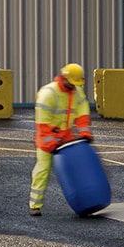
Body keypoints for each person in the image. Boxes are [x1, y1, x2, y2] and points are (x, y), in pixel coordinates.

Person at [30, 62, 93, 216]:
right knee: (43, 169)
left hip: (66, 136)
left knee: (77, 169)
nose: (74, 86)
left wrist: (84, 132)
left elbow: (83, 112)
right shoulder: (48, 93)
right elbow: (42, 123)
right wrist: (50, 142)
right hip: (46, 138)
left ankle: (86, 203)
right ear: (64, 78)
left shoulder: (76, 92)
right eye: (72, 83)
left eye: (76, 83)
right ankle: (34, 205)